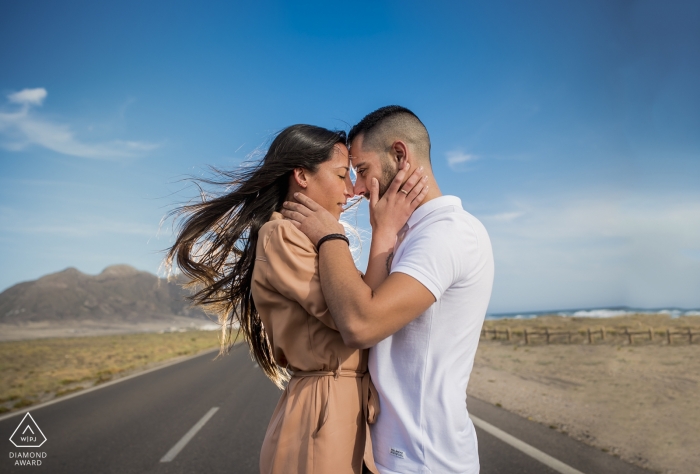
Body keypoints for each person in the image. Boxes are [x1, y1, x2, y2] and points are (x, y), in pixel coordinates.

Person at [165, 124, 428, 474]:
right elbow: (354, 315)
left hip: (342, 410)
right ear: (302, 175)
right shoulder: (282, 235)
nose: (351, 190)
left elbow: (364, 302)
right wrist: (382, 232)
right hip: (320, 415)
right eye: (340, 175)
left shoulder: (316, 239)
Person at [281, 106, 495, 474]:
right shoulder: (405, 234)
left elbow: (361, 325)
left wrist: (330, 235)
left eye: (362, 171)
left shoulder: (448, 233)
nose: (357, 189)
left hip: (424, 462)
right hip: (384, 456)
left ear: (400, 155)